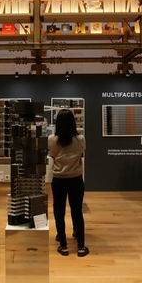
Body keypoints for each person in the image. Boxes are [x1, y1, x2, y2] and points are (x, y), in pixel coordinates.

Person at [48, 109, 89, 257]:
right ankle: (81, 246)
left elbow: (52, 155)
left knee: (59, 211)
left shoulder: (52, 139)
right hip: (76, 179)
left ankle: (63, 245)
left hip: (59, 180)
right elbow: (82, 153)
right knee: (77, 211)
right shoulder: (81, 139)